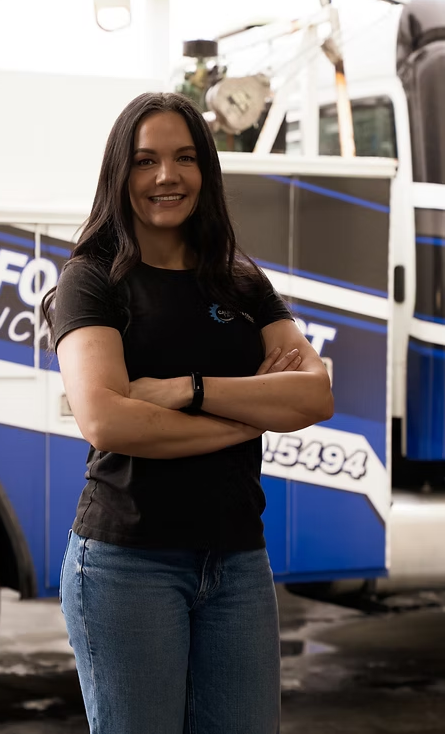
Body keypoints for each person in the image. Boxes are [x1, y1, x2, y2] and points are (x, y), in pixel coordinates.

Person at [42, 92, 333, 734]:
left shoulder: (238, 282)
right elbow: (107, 422)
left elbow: (315, 395)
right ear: (121, 174)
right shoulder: (90, 281)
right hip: (128, 563)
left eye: (183, 158)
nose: (166, 176)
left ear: (206, 171)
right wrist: (257, 411)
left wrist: (187, 390)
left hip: (236, 561)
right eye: (145, 161)